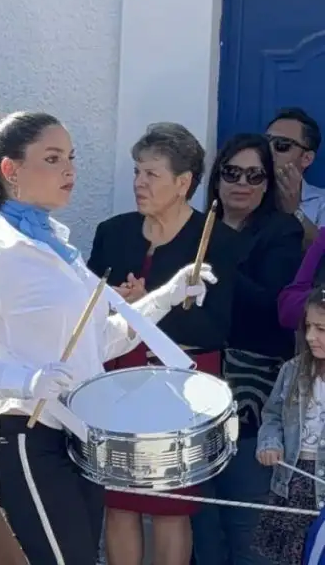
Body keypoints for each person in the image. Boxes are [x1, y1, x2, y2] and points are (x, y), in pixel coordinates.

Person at [0, 112, 215, 565]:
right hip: (25, 434)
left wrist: (166, 296)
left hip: (79, 435)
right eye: (53, 158)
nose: (70, 170)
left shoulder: (60, 251)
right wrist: (25, 380)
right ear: (11, 170)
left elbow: (100, 342)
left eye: (71, 158)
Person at [89, 122, 239, 565]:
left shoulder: (219, 242)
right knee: (118, 501)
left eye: (151, 174)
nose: (138, 182)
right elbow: (90, 310)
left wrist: (151, 305)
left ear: (183, 182)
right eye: (137, 171)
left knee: (172, 508)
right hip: (120, 376)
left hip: (182, 384)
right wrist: (123, 311)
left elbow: (216, 327)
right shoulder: (112, 233)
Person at [192, 133, 303, 565]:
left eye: (255, 175)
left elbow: (274, 307)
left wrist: (214, 260)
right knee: (200, 518)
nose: (242, 183)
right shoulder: (196, 229)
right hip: (197, 389)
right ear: (216, 178)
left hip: (252, 395)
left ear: (267, 184)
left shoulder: (281, 230)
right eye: (231, 172)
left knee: (245, 516)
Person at [254, 288, 325, 564]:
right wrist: (271, 444)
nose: (310, 337)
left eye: (321, 329)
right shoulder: (292, 370)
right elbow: (272, 415)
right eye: (308, 326)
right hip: (293, 484)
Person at [267, 107, 321, 246]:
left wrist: (294, 211)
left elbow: (320, 253)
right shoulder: (246, 189)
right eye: (265, 143)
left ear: (306, 158)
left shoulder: (321, 203)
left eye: (282, 145)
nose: (269, 151)